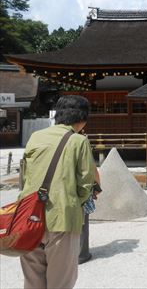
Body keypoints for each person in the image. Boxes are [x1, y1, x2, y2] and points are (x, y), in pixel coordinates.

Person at [19, 95, 96, 289]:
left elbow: (26, 176)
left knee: (33, 281)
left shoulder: (35, 137)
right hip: (62, 219)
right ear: (83, 119)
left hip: (28, 217)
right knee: (60, 282)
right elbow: (86, 184)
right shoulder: (79, 141)